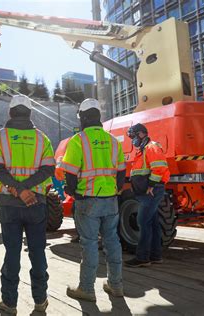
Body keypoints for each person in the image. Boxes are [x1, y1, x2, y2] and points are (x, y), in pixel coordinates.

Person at [0, 95, 55, 314]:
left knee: (12, 252)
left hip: (9, 203)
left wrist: (17, 189)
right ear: (29, 113)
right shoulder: (42, 139)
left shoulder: (0, 137)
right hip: (35, 202)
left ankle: (9, 302)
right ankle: (40, 300)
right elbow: (48, 170)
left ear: (10, 112)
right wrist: (26, 189)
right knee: (37, 252)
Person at [59, 99, 126, 301]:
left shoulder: (78, 141)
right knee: (112, 241)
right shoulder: (114, 141)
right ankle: (116, 285)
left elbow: (69, 173)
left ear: (84, 117)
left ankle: (87, 289)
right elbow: (121, 171)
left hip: (88, 199)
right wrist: (116, 189)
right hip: (110, 199)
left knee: (89, 244)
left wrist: (73, 191)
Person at [125, 123, 170, 267]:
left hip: (151, 192)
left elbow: (160, 167)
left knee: (143, 222)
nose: (132, 140)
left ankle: (143, 257)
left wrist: (151, 185)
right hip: (147, 192)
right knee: (153, 223)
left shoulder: (151, 147)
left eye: (133, 136)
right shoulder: (143, 150)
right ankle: (155, 255)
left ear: (141, 134)